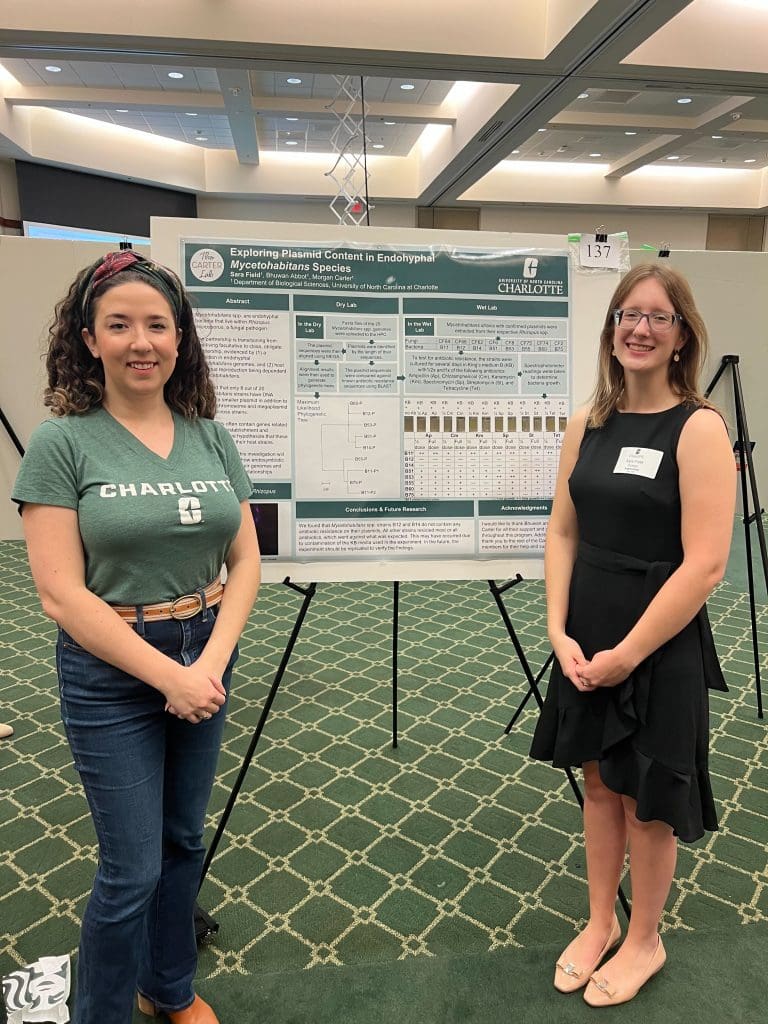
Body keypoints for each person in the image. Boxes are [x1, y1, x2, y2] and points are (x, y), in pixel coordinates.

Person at [12, 249, 261, 1024]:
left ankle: (169, 989)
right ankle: (104, 1013)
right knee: (130, 869)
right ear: (89, 338)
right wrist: (168, 675)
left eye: (157, 324)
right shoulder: (64, 444)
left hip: (204, 651)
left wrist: (209, 661)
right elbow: (60, 594)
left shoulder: (208, 436)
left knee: (185, 843)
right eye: (119, 325)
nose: (140, 341)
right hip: (111, 667)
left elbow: (246, 556)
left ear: (180, 339)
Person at [530, 264, 735, 1006]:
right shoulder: (589, 422)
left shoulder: (699, 428)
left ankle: (644, 936)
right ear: (612, 329)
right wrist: (558, 629)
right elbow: (561, 530)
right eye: (627, 314)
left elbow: (707, 565)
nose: (639, 329)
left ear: (682, 336)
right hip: (586, 634)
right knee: (596, 781)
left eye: (658, 317)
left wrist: (629, 655)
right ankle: (599, 923)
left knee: (646, 796)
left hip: (657, 639)